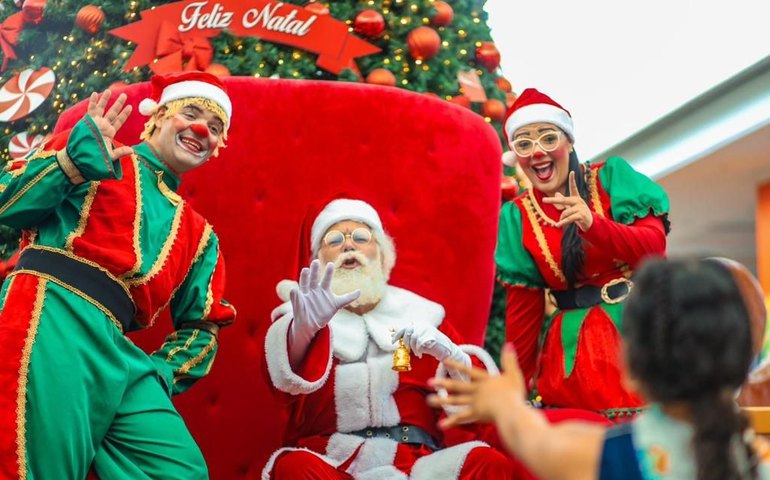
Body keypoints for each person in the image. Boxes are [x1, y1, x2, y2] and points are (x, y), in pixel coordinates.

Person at [0, 71, 236, 479]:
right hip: (51, 311)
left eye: (216, 128)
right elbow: (8, 202)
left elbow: (203, 325)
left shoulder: (200, 235)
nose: (203, 130)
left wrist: (162, 372)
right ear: (158, 117)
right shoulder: (96, 152)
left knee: (180, 471)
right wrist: (71, 163)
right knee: (37, 465)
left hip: (119, 351)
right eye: (191, 114)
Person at [430, 257, 770, 480]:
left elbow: (537, 442)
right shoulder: (758, 460)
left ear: (633, 366)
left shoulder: (613, 458)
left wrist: (504, 402)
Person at [262, 198, 513, 479]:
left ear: (382, 255)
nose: (348, 246)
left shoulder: (422, 314)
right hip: (336, 462)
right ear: (318, 262)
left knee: (486, 462)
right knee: (293, 468)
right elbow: (283, 385)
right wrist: (302, 332)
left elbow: (478, 406)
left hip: (418, 463)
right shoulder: (301, 316)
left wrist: (451, 356)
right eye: (334, 240)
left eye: (360, 237)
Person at [496, 88, 670, 418]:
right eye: (524, 144)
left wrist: (594, 225)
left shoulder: (611, 178)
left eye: (548, 139)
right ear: (515, 155)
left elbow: (654, 249)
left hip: (638, 337)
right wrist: (512, 397)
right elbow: (523, 319)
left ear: (569, 142)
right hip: (572, 360)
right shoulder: (517, 218)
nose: (537, 152)